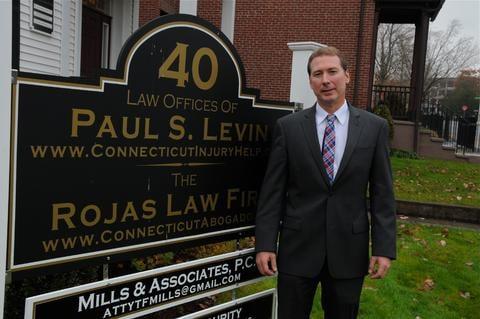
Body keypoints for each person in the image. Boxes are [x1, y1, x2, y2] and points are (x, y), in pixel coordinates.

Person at [255, 46, 396, 319]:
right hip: (297, 250)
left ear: (347, 76)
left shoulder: (374, 127)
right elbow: (273, 191)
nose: (326, 80)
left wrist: (383, 248)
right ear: (310, 82)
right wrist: (265, 243)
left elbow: (382, 193)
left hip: (348, 252)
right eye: (318, 74)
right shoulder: (289, 127)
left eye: (332, 71)